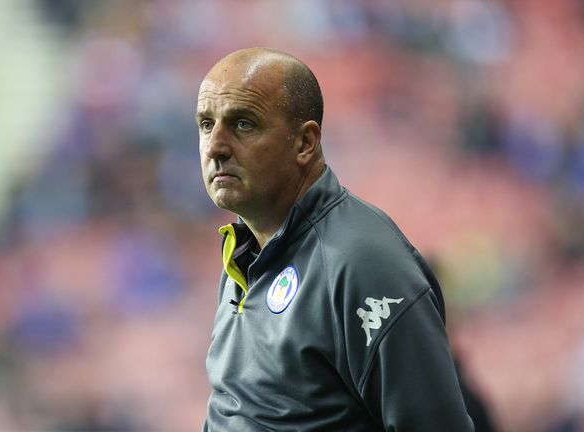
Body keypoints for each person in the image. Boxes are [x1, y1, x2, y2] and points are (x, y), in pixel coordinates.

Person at [197, 47, 475, 431]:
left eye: (243, 124)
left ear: (305, 143)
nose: (215, 147)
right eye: (206, 124)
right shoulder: (244, 257)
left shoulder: (362, 264)